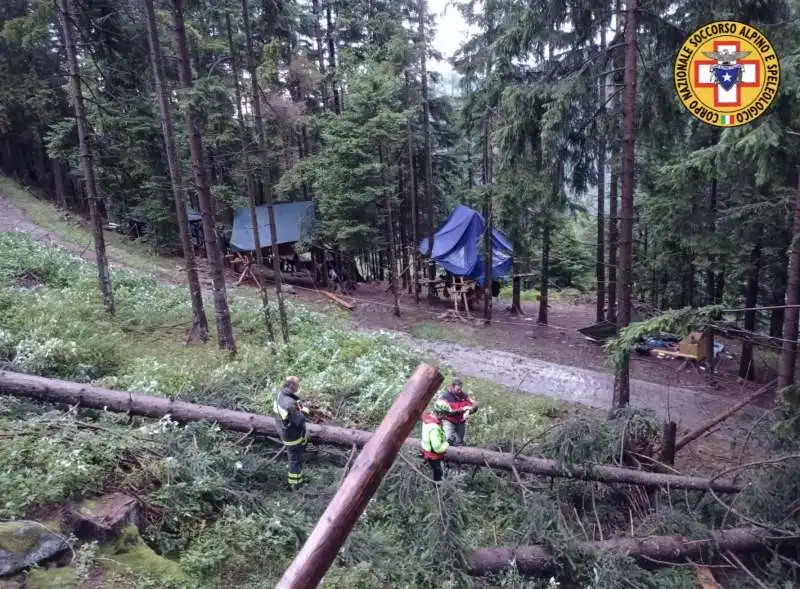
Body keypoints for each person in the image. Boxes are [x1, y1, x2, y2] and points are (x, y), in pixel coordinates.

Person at [273, 376, 309, 487]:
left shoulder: (280, 393)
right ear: (291, 385)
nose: (298, 387)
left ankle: (298, 478)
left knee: (296, 455)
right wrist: (305, 412)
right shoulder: (289, 404)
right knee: (295, 458)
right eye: (297, 385)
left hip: (283, 428)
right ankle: (295, 484)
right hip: (291, 434)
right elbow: (299, 420)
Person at [435, 378, 478, 446]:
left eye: (461, 389)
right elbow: (444, 411)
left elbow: (475, 405)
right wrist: (463, 409)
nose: (460, 391)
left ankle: (457, 453)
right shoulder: (445, 396)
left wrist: (469, 411)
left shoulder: (464, 396)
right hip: (449, 420)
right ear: (453, 386)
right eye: (458, 389)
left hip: (461, 421)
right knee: (447, 438)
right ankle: (442, 452)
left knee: (459, 441)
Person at [420, 409, 449, 482]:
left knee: (436, 471)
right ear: (439, 414)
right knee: (438, 475)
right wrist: (446, 444)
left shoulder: (428, 420)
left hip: (428, 452)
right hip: (434, 456)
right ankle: (437, 489)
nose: (445, 417)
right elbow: (437, 448)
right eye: (444, 415)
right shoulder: (434, 429)